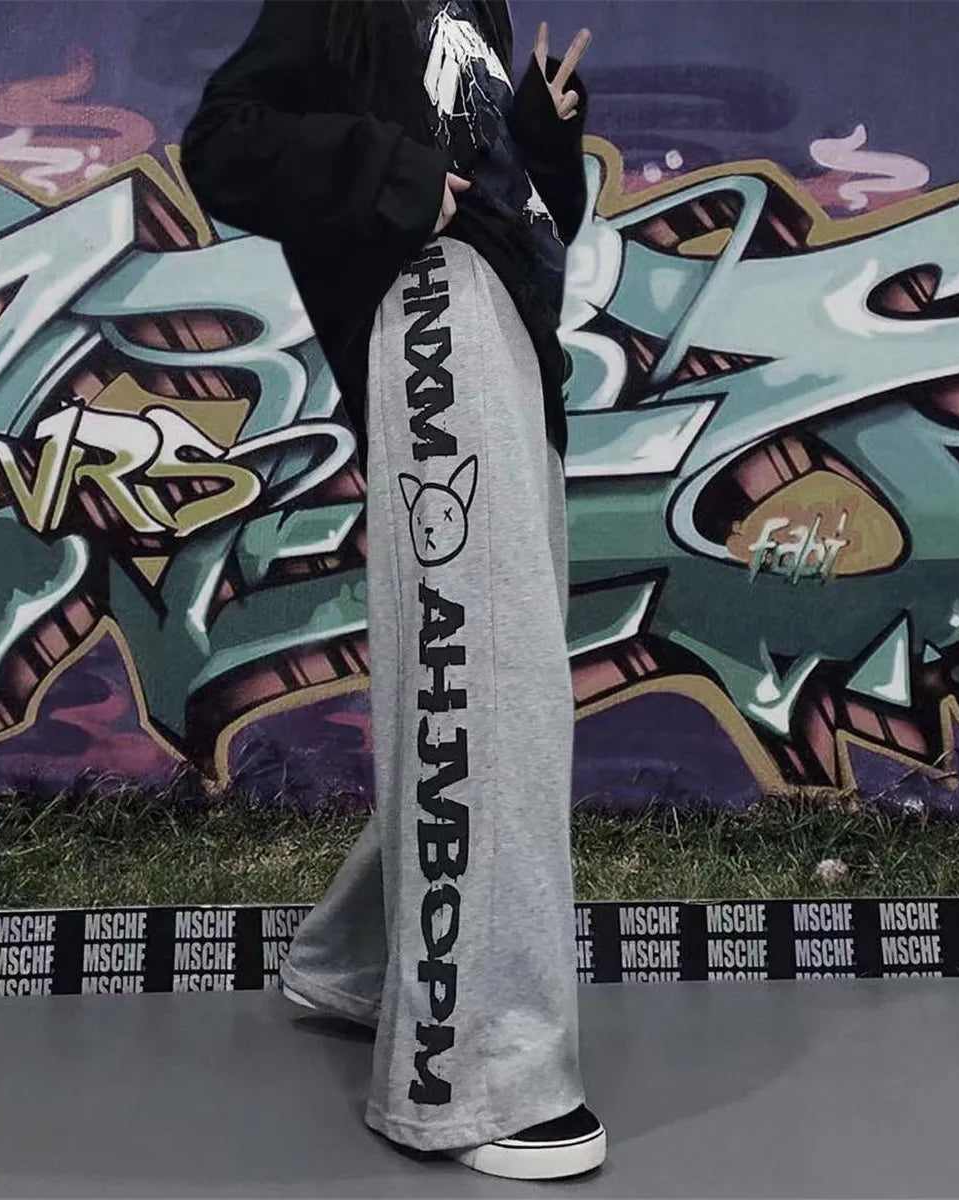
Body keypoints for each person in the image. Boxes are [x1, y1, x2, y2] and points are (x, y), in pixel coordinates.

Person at [179, 0, 601, 1180]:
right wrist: (401, 178)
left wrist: (538, 133)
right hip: (432, 321)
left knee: (502, 680)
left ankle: (361, 964)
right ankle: (478, 1074)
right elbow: (222, 143)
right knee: (491, 683)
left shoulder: (475, 8)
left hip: (509, 339)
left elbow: (523, 216)